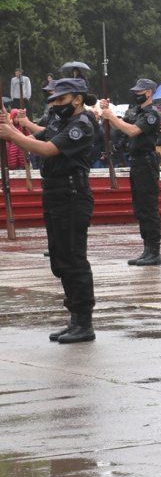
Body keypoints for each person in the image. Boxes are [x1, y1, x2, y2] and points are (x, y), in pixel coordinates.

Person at [0, 78, 96, 343]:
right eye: (54, 100)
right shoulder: (59, 121)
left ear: (77, 99)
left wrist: (12, 134)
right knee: (60, 258)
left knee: (74, 258)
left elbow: (47, 149)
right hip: (54, 193)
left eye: (61, 99)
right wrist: (11, 127)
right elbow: (34, 138)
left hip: (72, 195)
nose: (56, 104)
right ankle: (74, 317)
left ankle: (84, 322)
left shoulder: (81, 125)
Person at [100, 78, 161, 265]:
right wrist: (106, 112)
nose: (136, 94)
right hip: (136, 162)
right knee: (140, 207)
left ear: (149, 93)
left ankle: (154, 251)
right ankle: (147, 249)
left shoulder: (151, 114)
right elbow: (119, 127)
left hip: (146, 162)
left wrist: (111, 117)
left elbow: (133, 130)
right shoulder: (135, 111)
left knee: (149, 207)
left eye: (139, 92)